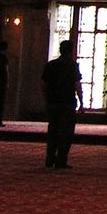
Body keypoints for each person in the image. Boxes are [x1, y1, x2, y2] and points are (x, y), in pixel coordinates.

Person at [41, 39, 84, 169]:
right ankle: (61, 160)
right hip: (67, 102)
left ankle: (49, 158)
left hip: (53, 102)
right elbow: (77, 85)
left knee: (53, 130)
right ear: (70, 51)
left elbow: (44, 85)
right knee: (65, 133)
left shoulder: (50, 65)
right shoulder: (72, 66)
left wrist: (46, 100)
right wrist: (82, 102)